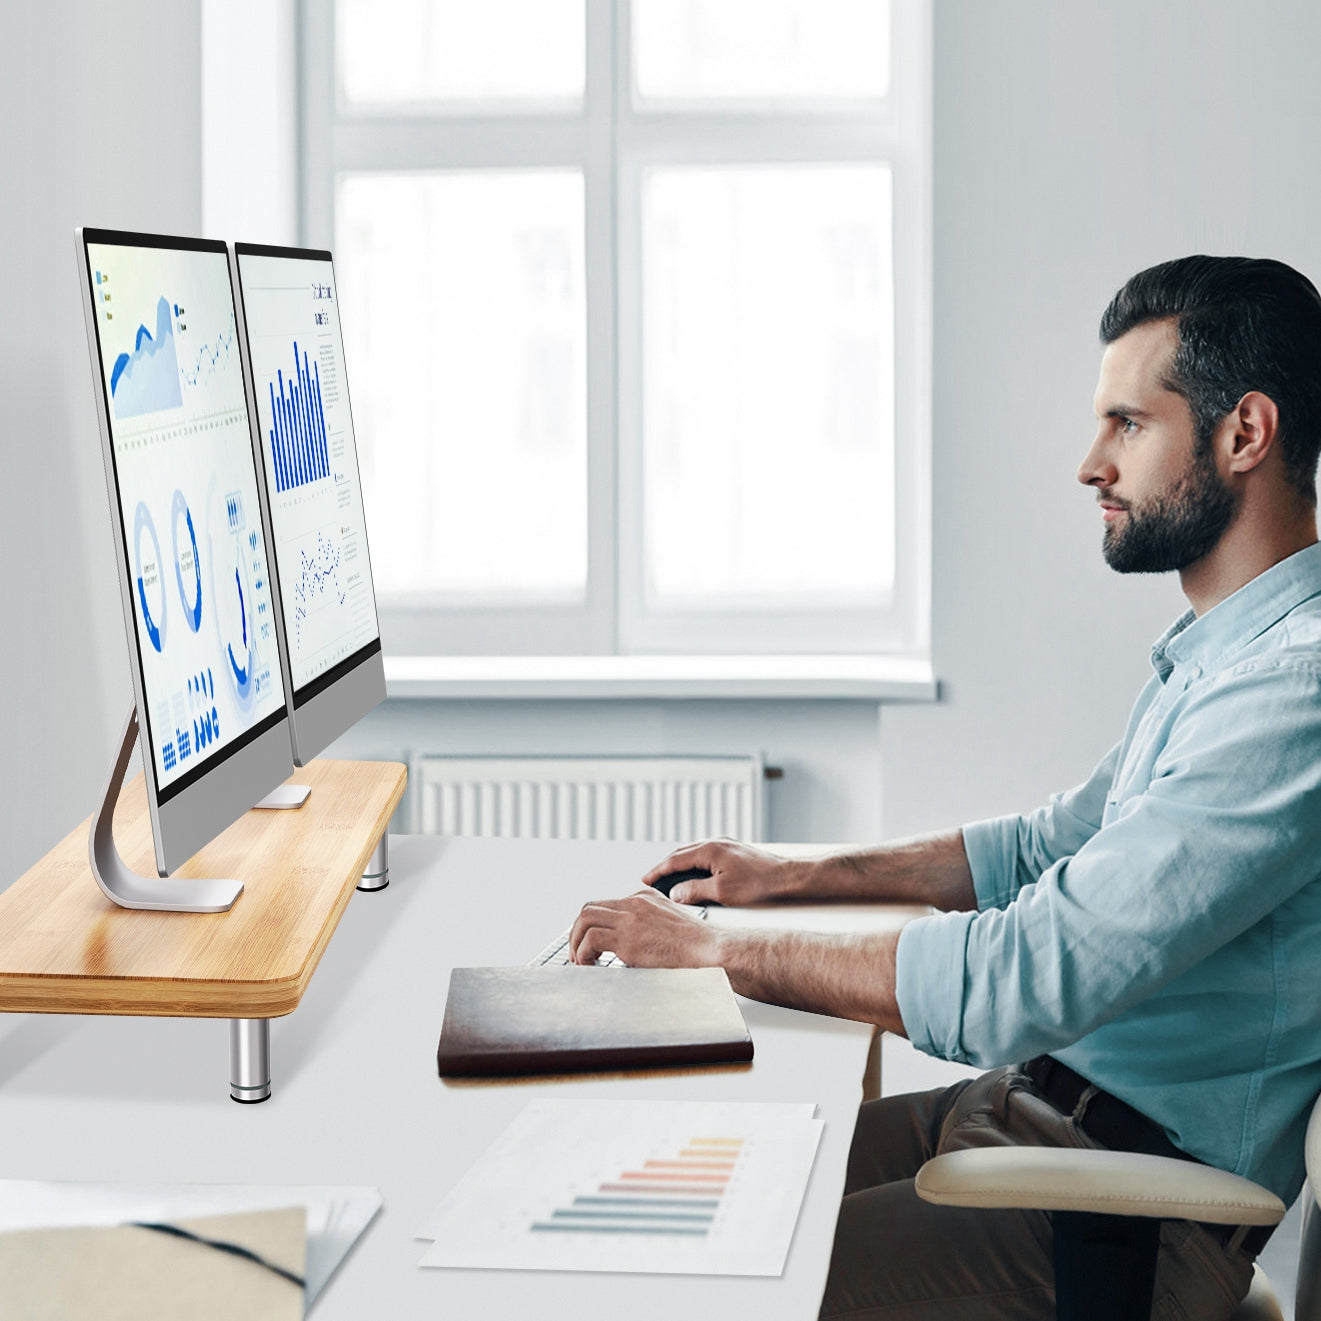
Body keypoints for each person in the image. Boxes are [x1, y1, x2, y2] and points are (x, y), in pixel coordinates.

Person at [568, 255, 1321, 1319]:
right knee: (658, 1191)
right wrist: (783, 874)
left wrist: (707, 949)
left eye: (1126, 424)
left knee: (692, 1282)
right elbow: (1043, 846)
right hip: (1033, 1116)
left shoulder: (1292, 693)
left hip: (1120, 1212)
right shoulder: (1222, 656)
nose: (1089, 465)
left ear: (1244, 433)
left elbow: (1027, 973)